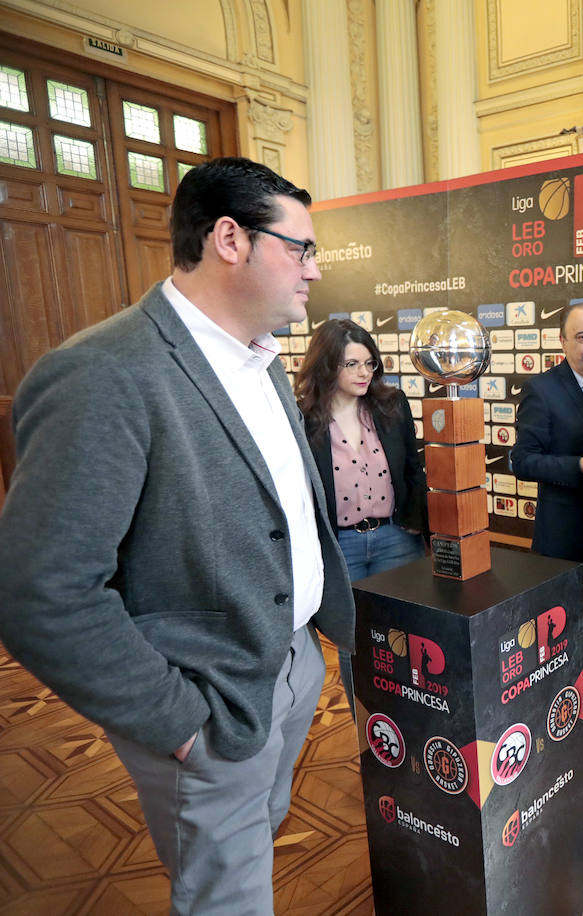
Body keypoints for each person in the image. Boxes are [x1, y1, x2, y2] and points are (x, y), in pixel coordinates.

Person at [0, 157, 353, 914]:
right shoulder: (104, 373)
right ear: (231, 239)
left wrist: (306, 660)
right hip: (205, 702)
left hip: (290, 672)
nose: (314, 272)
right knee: (225, 895)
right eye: (302, 248)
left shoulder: (259, 362)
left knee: (258, 836)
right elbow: (41, 593)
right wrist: (178, 723)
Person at [294, 318, 426, 714]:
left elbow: (412, 470)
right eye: (351, 364)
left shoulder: (391, 404)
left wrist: (419, 525)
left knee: (409, 638)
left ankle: (417, 721)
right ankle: (368, 729)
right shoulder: (302, 418)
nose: (363, 373)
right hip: (340, 548)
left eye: (369, 363)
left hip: (396, 539)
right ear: (327, 365)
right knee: (357, 644)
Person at [510, 303, 583, 720]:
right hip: (564, 537)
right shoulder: (542, 390)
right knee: (557, 628)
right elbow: (521, 462)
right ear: (562, 342)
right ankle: (552, 706)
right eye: (581, 337)